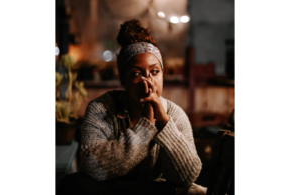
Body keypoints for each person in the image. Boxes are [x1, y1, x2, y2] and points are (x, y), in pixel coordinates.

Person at [57, 19, 206, 195]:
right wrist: (145, 127)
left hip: (124, 190)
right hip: (148, 191)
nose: (148, 81)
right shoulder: (101, 108)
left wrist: (164, 122)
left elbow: (188, 175)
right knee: (73, 184)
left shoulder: (174, 114)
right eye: (137, 73)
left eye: (155, 71)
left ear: (163, 75)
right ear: (123, 80)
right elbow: (93, 166)